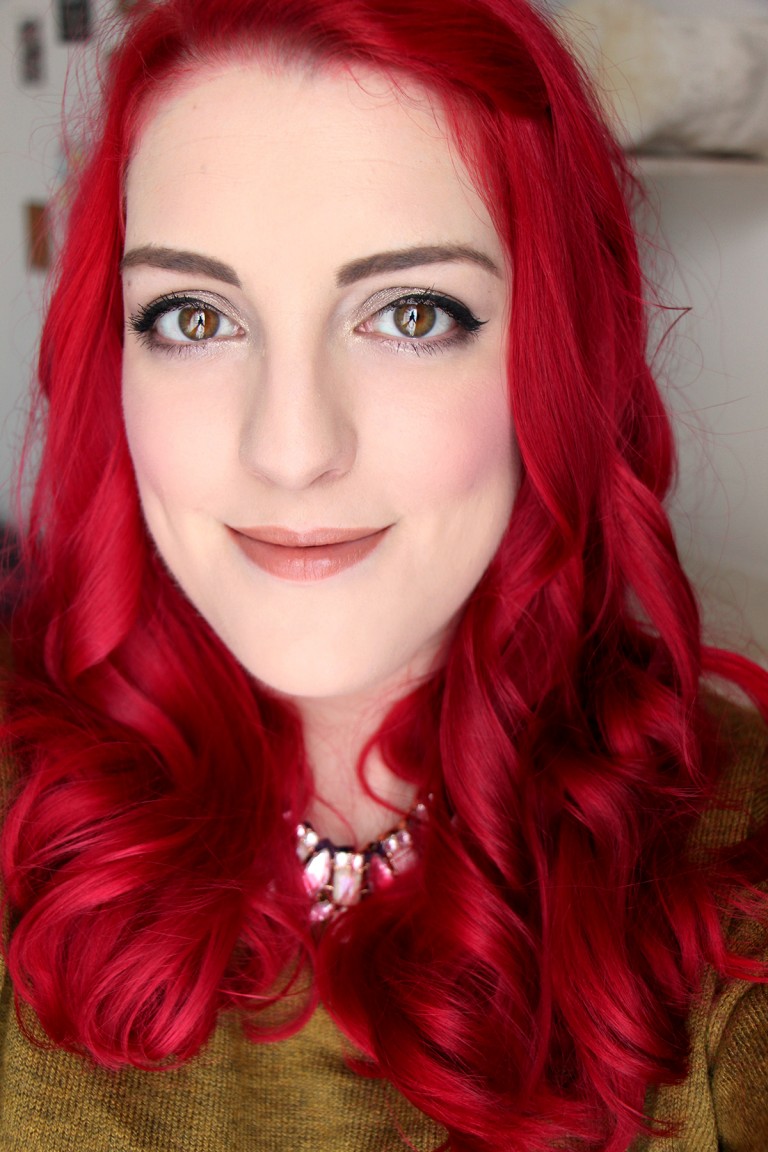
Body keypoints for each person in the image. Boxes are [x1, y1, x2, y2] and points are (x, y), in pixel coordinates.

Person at [1, 0, 767, 1149]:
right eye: (194, 318)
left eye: (410, 313)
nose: (291, 449)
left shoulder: (732, 865)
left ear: (552, 357)